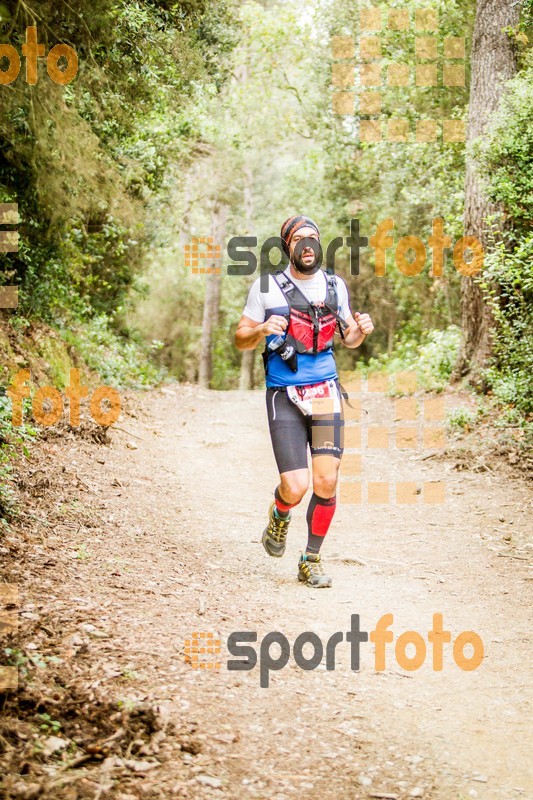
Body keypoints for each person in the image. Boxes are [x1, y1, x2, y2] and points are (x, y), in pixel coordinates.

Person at [235, 215, 374, 588]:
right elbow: (240, 338)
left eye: (313, 238)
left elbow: (349, 339)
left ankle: (310, 559)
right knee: (295, 487)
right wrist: (262, 329)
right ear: (287, 247)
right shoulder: (266, 288)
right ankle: (280, 514)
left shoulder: (335, 286)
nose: (307, 244)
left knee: (326, 481)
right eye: (299, 239)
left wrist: (360, 331)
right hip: (284, 395)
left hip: (326, 391)